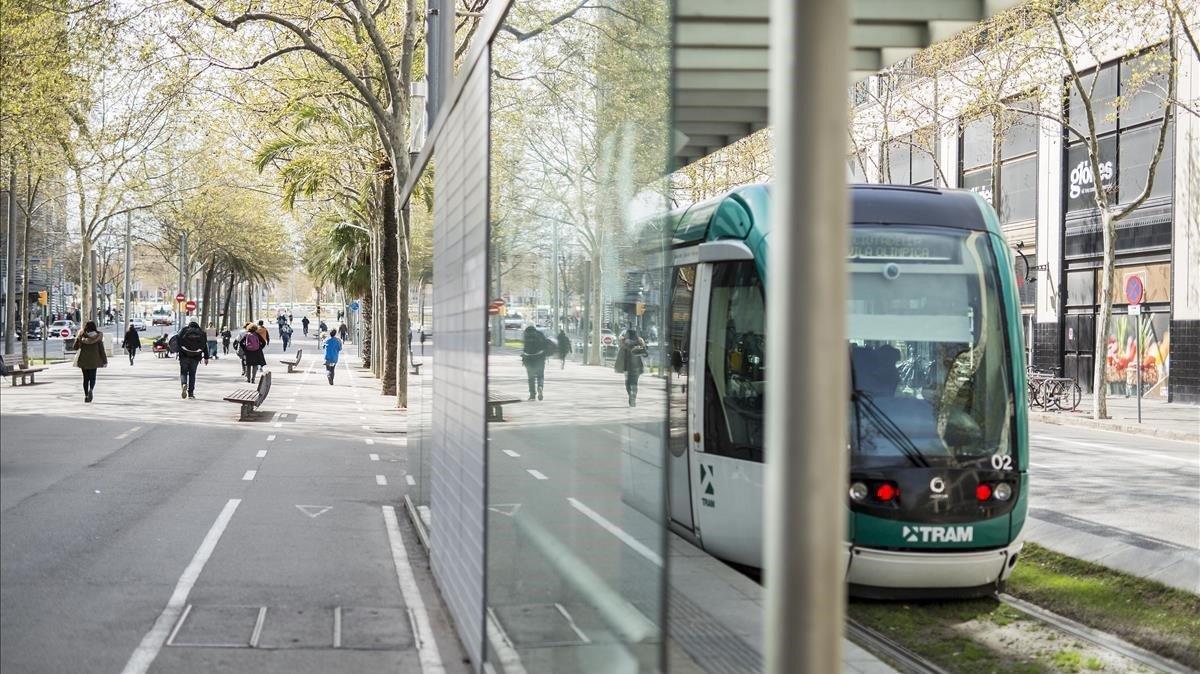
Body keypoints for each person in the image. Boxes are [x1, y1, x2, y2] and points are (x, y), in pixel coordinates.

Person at [73, 321, 107, 402]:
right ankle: (91, 389)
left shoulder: (82, 336)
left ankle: (86, 395)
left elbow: (75, 347)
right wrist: (105, 361)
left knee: (85, 379)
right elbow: (101, 350)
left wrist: (78, 337)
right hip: (94, 360)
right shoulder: (98, 337)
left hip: (84, 360)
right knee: (93, 377)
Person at [614, 328, 648, 407]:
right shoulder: (639, 343)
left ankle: (631, 396)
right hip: (638, 367)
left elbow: (620, 356)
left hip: (627, 368)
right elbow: (646, 354)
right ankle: (633, 398)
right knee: (635, 383)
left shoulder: (624, 344)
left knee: (628, 383)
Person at [177, 321, 209, 399]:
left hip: (184, 356)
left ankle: (184, 384)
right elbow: (205, 345)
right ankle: (191, 393)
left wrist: (177, 352)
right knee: (192, 374)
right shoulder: (202, 332)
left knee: (183, 373)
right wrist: (206, 357)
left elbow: (178, 341)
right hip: (196, 357)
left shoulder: (184, 331)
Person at [521, 325, 550, 401]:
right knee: (540, 376)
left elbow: (525, 348)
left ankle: (532, 395)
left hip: (529, 359)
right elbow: (545, 345)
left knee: (531, 378)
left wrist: (523, 358)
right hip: (539, 358)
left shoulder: (526, 335)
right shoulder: (540, 334)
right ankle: (540, 387)